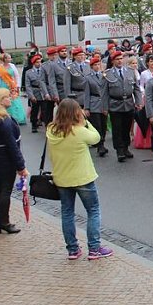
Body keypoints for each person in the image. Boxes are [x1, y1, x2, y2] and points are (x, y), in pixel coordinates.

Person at [47, 99, 113, 260]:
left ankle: (72, 249)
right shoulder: (79, 130)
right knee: (93, 211)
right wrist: (86, 122)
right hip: (83, 177)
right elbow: (96, 138)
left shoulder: (51, 130)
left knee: (67, 213)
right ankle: (94, 248)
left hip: (62, 178)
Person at [0, 88, 28, 235]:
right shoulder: (4, 121)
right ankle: (4, 222)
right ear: (0, 101)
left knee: (1, 189)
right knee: (5, 190)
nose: (10, 99)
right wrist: (21, 166)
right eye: (7, 97)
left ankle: (1, 220)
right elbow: (12, 145)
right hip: (5, 160)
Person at [103, 51, 142, 162]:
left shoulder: (130, 71)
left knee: (126, 127)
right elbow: (104, 92)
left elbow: (136, 88)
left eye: (121, 58)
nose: (120, 61)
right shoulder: (107, 74)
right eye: (117, 59)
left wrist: (138, 101)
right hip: (115, 104)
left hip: (128, 103)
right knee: (117, 128)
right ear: (113, 61)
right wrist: (105, 107)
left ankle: (126, 147)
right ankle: (119, 150)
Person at [82, 56, 109, 158]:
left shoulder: (104, 75)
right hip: (94, 103)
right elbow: (87, 94)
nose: (97, 67)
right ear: (91, 66)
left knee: (104, 125)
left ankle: (103, 142)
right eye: (95, 65)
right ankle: (100, 145)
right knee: (97, 125)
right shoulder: (88, 78)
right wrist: (87, 107)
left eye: (99, 64)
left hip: (103, 103)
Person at [0, 53, 26, 124]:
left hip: (12, 86)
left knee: (15, 101)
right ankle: (7, 117)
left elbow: (17, 76)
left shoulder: (12, 66)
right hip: (3, 87)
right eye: (8, 58)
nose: (10, 59)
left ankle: (18, 118)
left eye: (10, 58)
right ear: (4, 59)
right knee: (5, 101)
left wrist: (18, 85)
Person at [25, 54, 46, 133]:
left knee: (45, 109)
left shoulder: (43, 71)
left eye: (40, 62)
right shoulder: (29, 72)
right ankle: (34, 124)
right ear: (33, 63)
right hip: (35, 92)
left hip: (43, 92)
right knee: (35, 110)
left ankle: (44, 122)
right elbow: (28, 85)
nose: (39, 64)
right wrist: (31, 96)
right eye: (37, 62)